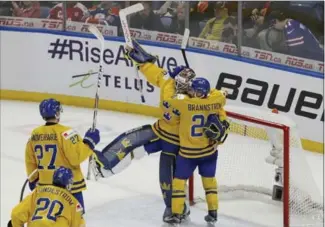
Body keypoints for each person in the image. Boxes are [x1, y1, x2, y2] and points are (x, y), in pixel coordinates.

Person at [93, 40, 195, 223]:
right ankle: (105, 165)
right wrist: (142, 61)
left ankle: (175, 208)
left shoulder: (196, 98)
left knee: (168, 176)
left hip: (179, 142)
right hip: (161, 130)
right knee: (131, 139)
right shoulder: (169, 82)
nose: (175, 82)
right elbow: (155, 73)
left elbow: (214, 109)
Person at [163, 77, 230, 224]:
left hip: (188, 154)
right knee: (210, 184)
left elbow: (167, 99)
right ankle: (213, 213)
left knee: (179, 184)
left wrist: (170, 82)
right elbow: (221, 95)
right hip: (209, 152)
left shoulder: (185, 102)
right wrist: (214, 91)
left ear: (196, 91)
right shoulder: (214, 102)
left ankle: (176, 214)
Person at [25, 98, 103, 216]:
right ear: (57, 113)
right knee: (74, 220)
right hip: (70, 186)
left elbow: (30, 160)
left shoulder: (35, 135)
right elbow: (76, 157)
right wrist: (89, 143)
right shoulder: (66, 133)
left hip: (45, 186)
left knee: (50, 219)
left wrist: (33, 179)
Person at [9, 167, 85, 227]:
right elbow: (80, 225)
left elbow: (16, 214)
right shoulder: (74, 202)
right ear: (68, 184)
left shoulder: (37, 192)